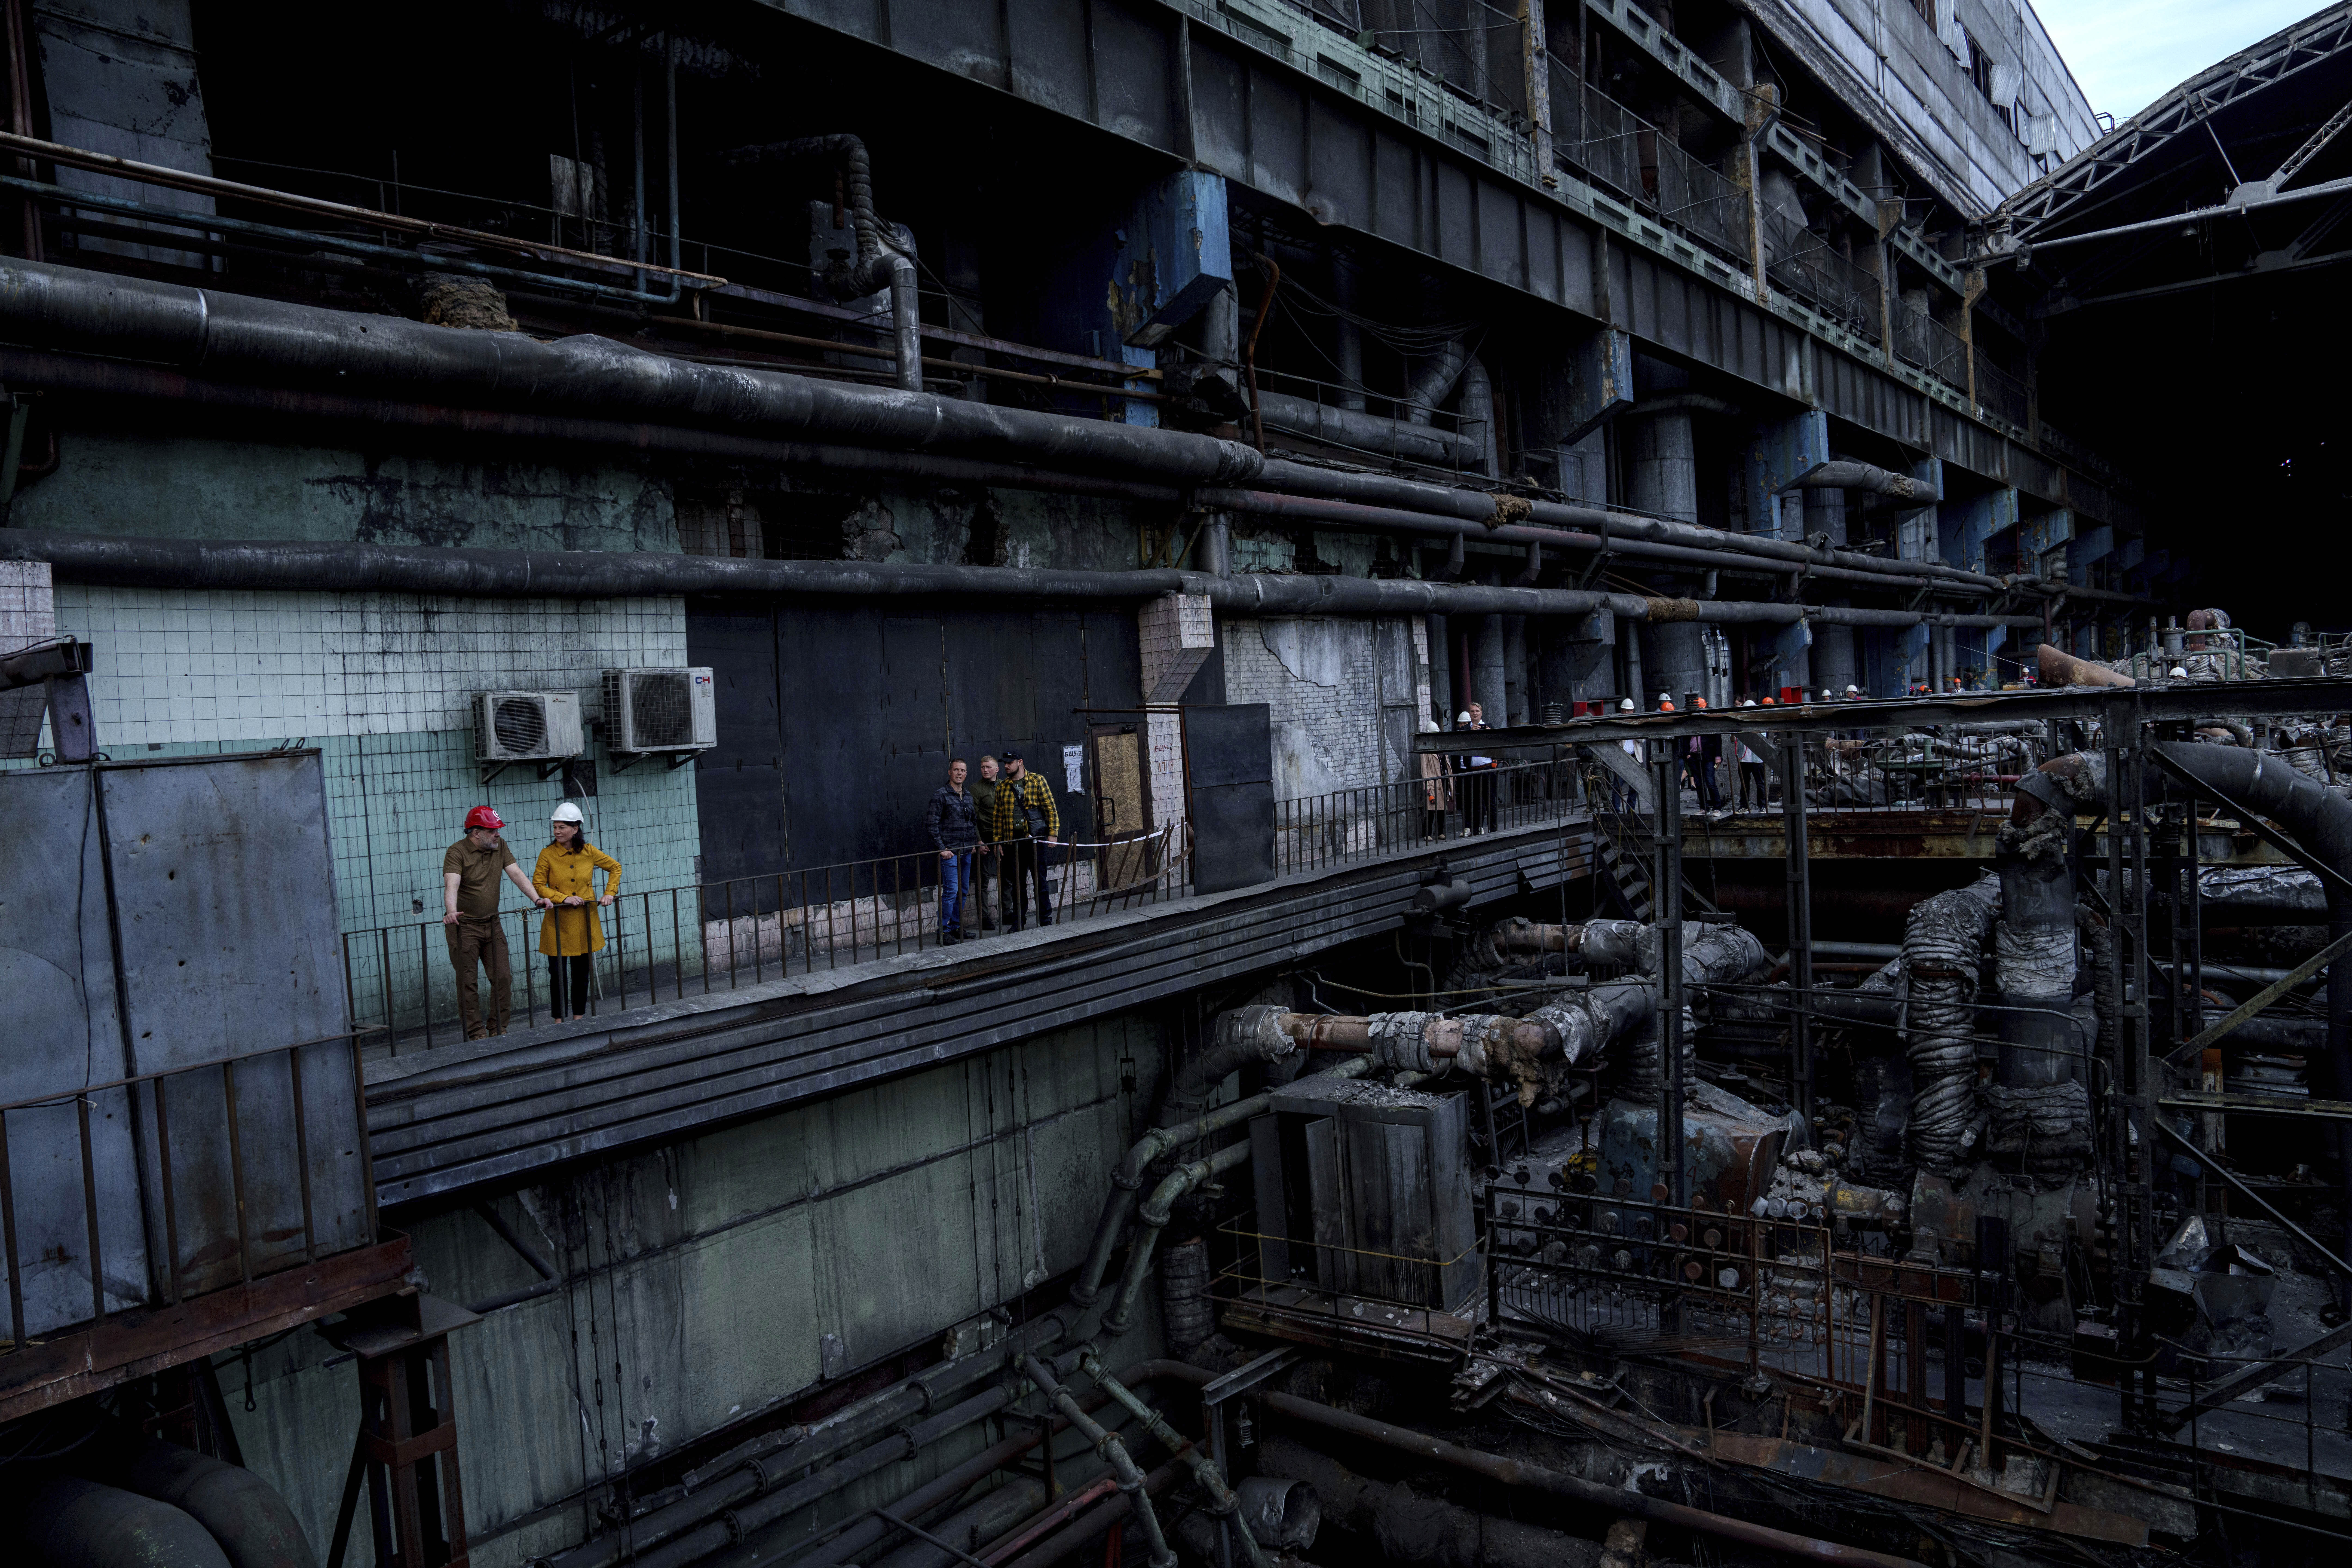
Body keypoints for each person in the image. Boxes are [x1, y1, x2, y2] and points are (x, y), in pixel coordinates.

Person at [443, 806, 551, 1041]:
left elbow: (516, 873)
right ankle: (475, 1032)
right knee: (468, 982)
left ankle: (499, 1028)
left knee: (503, 977)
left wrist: (537, 899)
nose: (498, 834)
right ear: (476, 833)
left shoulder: (499, 846)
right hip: (464, 926)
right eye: (493, 831)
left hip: (492, 924)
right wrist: (452, 912)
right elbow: (452, 884)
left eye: (498, 830)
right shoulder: (457, 852)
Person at [532, 802, 621, 1023]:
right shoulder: (547, 854)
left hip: (584, 921)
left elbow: (615, 868)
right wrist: (563, 898)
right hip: (558, 922)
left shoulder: (589, 852)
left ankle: (579, 1017)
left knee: (581, 974)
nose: (557, 832)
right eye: (555, 827)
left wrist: (610, 893)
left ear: (575, 829)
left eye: (562, 827)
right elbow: (538, 884)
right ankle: (559, 1020)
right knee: (558, 975)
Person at [985, 748, 1061, 929]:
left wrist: (1054, 833)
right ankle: (1019, 922)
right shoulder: (1003, 787)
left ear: (1020, 762)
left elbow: (1050, 807)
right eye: (1005, 764)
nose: (1006, 767)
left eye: (1010, 763)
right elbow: (998, 818)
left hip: (1035, 841)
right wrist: (998, 843)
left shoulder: (1037, 780)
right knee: (1018, 885)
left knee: (1040, 882)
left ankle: (1045, 920)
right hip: (1013, 843)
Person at [927, 757, 981, 943]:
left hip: (966, 852)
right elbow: (932, 825)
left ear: (966, 774)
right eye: (956, 770)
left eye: (963, 771)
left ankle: (956, 927)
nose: (960, 774)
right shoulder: (941, 795)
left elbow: (972, 822)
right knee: (952, 891)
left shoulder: (967, 796)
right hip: (950, 853)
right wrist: (942, 849)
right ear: (950, 772)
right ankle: (942, 933)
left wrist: (974, 844)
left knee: (963, 891)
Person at [970, 756, 1001, 931]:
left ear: (997, 769)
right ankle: (984, 917)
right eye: (982, 767)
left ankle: (1009, 911)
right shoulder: (976, 789)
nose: (985, 770)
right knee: (983, 880)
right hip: (986, 839)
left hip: (1005, 838)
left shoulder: (1006, 786)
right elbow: (973, 819)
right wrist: (979, 841)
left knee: (1008, 877)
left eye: (989, 767)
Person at [1455, 706, 1496, 835]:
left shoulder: (1489, 726)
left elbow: (1498, 743)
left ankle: (1494, 830)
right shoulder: (1466, 729)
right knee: (1476, 802)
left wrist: (1491, 734)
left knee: (1491, 802)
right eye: (1472, 712)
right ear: (1470, 714)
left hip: (1488, 770)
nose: (1475, 714)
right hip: (1473, 770)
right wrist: (1471, 732)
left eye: (1477, 711)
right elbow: (1461, 742)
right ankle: (1478, 829)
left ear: (1481, 713)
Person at [1686, 697, 1723, 812]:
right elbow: (1684, 738)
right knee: (1699, 783)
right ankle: (1704, 807)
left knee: (1710, 782)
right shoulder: (1690, 721)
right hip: (1694, 757)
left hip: (1708, 757)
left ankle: (1717, 807)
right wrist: (1687, 754)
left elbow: (1718, 739)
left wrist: (1718, 756)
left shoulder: (1710, 721)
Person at [1417, 729, 1453, 840]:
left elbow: (1446, 764)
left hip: (1443, 780)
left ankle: (1440, 832)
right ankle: (1427, 834)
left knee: (1442, 808)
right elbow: (1424, 769)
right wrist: (1427, 785)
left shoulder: (1441, 747)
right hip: (1433, 781)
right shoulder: (1425, 749)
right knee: (1431, 809)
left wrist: (1450, 780)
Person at [1734, 699, 1769, 810]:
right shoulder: (1740, 722)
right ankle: (1744, 806)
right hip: (1744, 759)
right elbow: (1733, 739)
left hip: (1757, 759)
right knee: (1744, 784)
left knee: (1760, 784)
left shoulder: (1759, 722)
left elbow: (1762, 738)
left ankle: (1762, 806)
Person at [1614, 697, 1641, 814]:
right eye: (1625, 711)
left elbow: (1643, 740)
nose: (1626, 713)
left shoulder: (1638, 723)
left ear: (1633, 712)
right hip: (1622, 758)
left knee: (1634, 786)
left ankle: (1631, 809)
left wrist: (1633, 731)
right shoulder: (1618, 724)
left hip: (1635, 758)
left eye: (1628, 711)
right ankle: (1616, 810)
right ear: (1622, 711)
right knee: (1617, 785)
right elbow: (1614, 739)